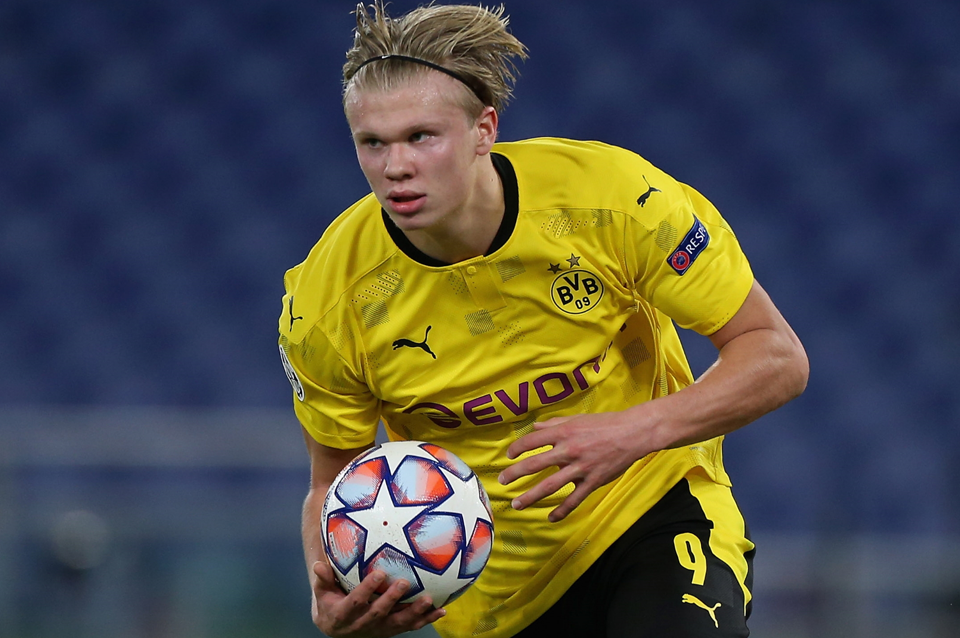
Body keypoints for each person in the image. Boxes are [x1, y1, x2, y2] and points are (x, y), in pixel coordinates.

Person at [277, 3, 809, 637]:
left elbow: (775, 354)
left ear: (484, 129)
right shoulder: (329, 303)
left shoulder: (611, 200)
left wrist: (633, 433)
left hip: (651, 510)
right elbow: (333, 481)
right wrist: (329, 589)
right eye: (373, 143)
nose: (395, 167)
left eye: (422, 137)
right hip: (493, 599)